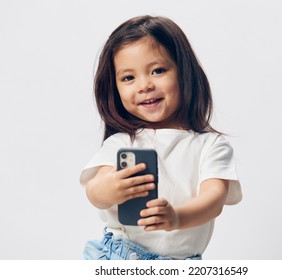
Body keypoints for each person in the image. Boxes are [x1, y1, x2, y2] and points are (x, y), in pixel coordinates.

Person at [79, 15, 242, 260]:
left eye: (157, 70)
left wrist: (177, 217)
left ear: (184, 72)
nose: (144, 85)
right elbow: (94, 191)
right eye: (128, 78)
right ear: (115, 88)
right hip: (121, 257)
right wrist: (108, 188)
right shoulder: (123, 142)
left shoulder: (211, 146)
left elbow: (213, 199)